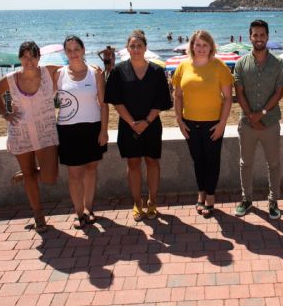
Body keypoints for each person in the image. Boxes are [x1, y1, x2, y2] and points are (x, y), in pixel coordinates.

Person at [0, 41, 60, 233]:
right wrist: (5, 113)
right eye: (25, 56)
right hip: (20, 132)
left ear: (39, 57)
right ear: (20, 58)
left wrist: (95, 67)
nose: (29, 60)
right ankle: (39, 216)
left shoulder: (49, 72)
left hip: (46, 132)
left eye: (33, 56)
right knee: (30, 175)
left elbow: (73, 67)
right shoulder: (11, 79)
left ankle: (30, 175)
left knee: (50, 176)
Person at [105, 30, 173, 221]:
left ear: (145, 47)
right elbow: (116, 101)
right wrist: (132, 123)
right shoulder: (118, 71)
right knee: (133, 164)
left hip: (151, 124)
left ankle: (152, 201)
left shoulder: (157, 71)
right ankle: (137, 203)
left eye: (139, 46)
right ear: (127, 48)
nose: (136, 49)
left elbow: (162, 101)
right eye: (132, 46)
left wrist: (147, 122)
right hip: (128, 125)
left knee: (152, 162)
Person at [172, 30, 233, 218]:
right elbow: (178, 95)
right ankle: (201, 192)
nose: (200, 48)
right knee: (198, 161)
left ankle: (211, 197)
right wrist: (180, 121)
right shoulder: (182, 67)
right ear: (192, 46)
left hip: (213, 124)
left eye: (205, 45)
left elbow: (228, 99)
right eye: (197, 45)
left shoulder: (219, 67)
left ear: (211, 47)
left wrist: (222, 123)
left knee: (212, 161)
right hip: (190, 123)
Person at [233, 20, 283, 219]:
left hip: (270, 122)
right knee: (245, 163)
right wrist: (251, 116)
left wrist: (261, 114)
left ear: (267, 36)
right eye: (255, 35)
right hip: (246, 124)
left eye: (262, 35)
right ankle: (246, 199)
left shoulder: (278, 63)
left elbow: (279, 93)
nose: (258, 38)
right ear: (250, 37)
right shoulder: (240, 63)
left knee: (273, 163)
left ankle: (273, 200)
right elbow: (239, 93)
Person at [56, 36, 109, 229]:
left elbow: (103, 105)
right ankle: (79, 213)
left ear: (83, 49)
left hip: (92, 127)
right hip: (67, 130)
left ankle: (89, 209)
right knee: (74, 174)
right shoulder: (59, 74)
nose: (73, 53)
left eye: (76, 49)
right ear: (65, 53)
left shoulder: (95, 73)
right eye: (69, 50)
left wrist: (104, 130)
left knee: (91, 170)